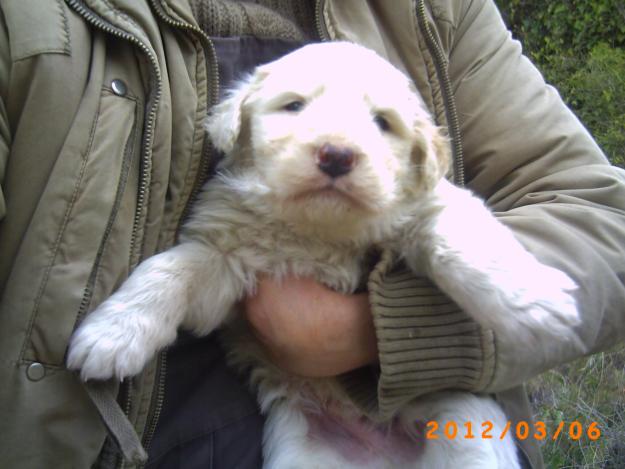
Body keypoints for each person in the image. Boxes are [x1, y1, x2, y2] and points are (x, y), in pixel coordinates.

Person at [0, 1, 623, 468]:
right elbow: (210, 269)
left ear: (420, 156)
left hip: (431, 404)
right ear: (238, 128)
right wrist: (145, 305)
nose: (337, 148)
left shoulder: (436, 26)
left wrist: (437, 312)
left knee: (472, 435)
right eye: (293, 107)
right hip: (303, 416)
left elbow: (449, 219)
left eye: (381, 123)